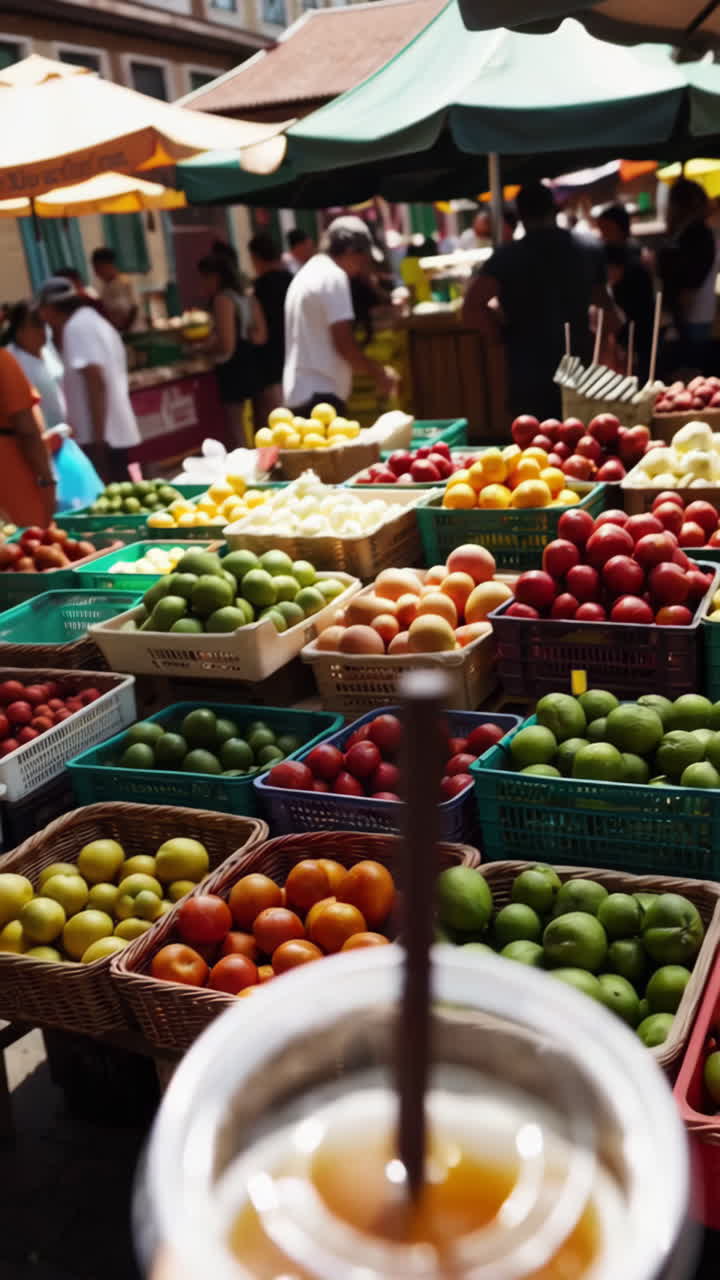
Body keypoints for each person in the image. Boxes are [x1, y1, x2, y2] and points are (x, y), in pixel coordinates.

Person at [463, 182, 618, 420]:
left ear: (521, 216)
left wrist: (498, 335)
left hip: (528, 371)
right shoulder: (589, 248)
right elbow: (606, 308)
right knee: (583, 437)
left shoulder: (507, 257)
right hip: (579, 365)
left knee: (533, 440)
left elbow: (472, 307)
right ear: (554, 209)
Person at [282, 215, 398, 416]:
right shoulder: (334, 277)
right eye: (363, 259)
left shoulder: (309, 272)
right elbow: (344, 343)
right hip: (321, 396)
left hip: (302, 394)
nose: (362, 268)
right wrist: (379, 373)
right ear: (351, 252)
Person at [38, 276, 140, 482]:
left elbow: (96, 382)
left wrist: (98, 439)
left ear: (50, 308)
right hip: (107, 433)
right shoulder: (91, 320)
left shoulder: (77, 328)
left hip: (101, 435)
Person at [197, 252, 267, 446]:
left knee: (236, 427)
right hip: (251, 361)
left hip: (233, 368)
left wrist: (202, 348)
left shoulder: (223, 300)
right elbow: (261, 336)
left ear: (215, 277)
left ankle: (242, 460)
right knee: (255, 424)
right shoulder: (248, 298)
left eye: (204, 278)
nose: (203, 284)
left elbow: (227, 343)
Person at [658, 178, 719, 354]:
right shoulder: (688, 232)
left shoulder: (697, 233)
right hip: (690, 316)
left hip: (691, 318)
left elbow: (690, 281)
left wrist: (676, 322)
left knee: (690, 363)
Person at [597, 205, 655, 381]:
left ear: (618, 227)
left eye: (605, 227)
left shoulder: (633, 252)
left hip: (637, 321)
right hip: (620, 326)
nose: (602, 233)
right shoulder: (607, 251)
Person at [0, 346, 56, 525]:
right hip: (11, 471)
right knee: (29, 534)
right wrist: (47, 479)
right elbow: (27, 429)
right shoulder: (3, 361)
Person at [248, 233, 293, 425]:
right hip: (294, 357)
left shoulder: (259, 288)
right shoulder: (293, 280)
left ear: (256, 258)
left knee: (278, 423)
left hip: (271, 363)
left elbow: (260, 334)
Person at [4, 300, 66, 429]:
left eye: (43, 323)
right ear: (19, 330)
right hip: (39, 434)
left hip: (66, 432)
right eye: (36, 324)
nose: (43, 329)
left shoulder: (48, 351)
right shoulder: (10, 361)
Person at [91, 247, 141, 333]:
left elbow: (135, 308)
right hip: (115, 332)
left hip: (134, 332)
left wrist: (124, 328)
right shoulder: (102, 287)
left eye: (98, 268)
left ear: (107, 265)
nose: (96, 273)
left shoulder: (126, 282)